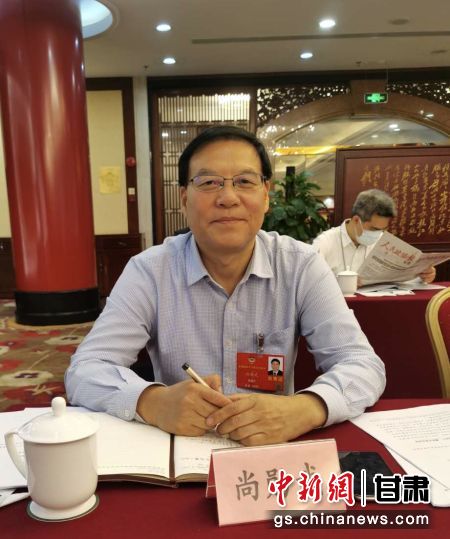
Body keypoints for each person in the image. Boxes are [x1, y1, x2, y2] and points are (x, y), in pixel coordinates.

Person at [65, 126, 385, 447]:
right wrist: (151, 401)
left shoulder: (301, 266)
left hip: (269, 450)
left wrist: (307, 408)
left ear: (265, 195)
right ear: (184, 199)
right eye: (208, 182)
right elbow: (86, 369)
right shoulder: (149, 272)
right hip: (181, 449)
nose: (228, 198)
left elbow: (362, 365)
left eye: (244, 181)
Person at [312, 189, 436, 283]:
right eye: (374, 229)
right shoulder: (325, 243)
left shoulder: (385, 243)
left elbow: (401, 280)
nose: (378, 234)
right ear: (356, 220)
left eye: (383, 230)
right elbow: (310, 282)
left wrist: (423, 276)